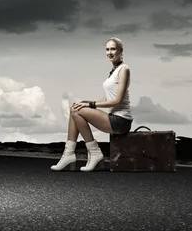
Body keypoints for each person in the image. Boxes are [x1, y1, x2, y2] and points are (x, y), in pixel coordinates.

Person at [51, 37, 133, 172]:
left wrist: (91, 106)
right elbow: (106, 98)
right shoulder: (114, 71)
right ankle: (68, 154)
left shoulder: (124, 69)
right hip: (114, 118)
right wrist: (86, 102)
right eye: (107, 49)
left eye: (113, 49)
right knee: (75, 108)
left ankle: (93, 153)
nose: (110, 52)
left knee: (76, 111)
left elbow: (117, 100)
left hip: (121, 121)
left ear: (120, 51)